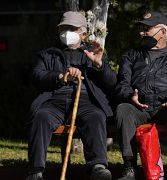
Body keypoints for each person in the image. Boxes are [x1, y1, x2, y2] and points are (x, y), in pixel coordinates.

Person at [26, 11, 116, 180]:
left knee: (96, 116)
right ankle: (36, 171)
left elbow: (111, 83)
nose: (67, 32)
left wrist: (99, 65)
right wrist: (60, 76)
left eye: (72, 28)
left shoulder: (93, 53)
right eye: (64, 28)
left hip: (85, 101)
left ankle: (98, 167)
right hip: (54, 101)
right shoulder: (48, 53)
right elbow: (36, 75)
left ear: (83, 33)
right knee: (41, 116)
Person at [115, 11, 167, 180]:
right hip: (140, 109)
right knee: (123, 108)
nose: (141, 33)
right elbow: (122, 85)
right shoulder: (131, 56)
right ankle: (129, 167)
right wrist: (131, 95)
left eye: (147, 28)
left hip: (165, 109)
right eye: (141, 28)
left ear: (162, 32)